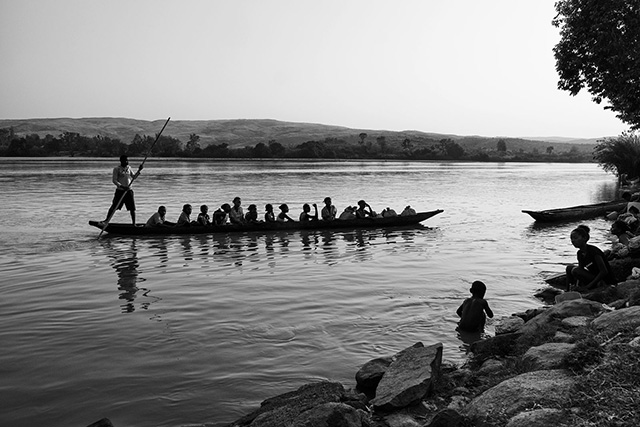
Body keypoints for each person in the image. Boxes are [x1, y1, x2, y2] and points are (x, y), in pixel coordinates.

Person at [566, 225, 617, 290]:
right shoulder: (580, 253)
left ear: (584, 238)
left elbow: (604, 271)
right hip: (593, 276)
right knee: (569, 268)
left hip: (603, 279)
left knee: (575, 270)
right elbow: (580, 269)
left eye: (575, 238)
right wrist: (577, 286)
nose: (573, 241)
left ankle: (596, 286)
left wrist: (588, 286)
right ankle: (568, 291)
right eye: (571, 239)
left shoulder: (594, 251)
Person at [104, 154, 143, 225]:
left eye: (127, 160)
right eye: (125, 160)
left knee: (132, 208)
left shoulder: (129, 168)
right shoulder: (117, 169)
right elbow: (114, 180)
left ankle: (134, 223)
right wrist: (122, 186)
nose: (126, 161)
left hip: (129, 191)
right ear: (121, 161)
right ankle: (106, 221)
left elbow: (134, 177)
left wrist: (139, 170)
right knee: (114, 206)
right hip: (120, 191)